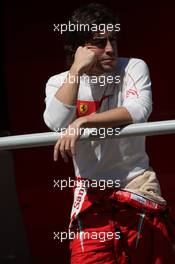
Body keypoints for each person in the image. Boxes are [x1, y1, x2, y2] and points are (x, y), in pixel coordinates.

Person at [43, 3, 175, 263]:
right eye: (99, 42)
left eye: (113, 40)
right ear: (80, 47)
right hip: (91, 200)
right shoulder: (59, 82)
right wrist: (76, 71)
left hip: (137, 189)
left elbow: (139, 110)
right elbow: (55, 122)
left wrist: (85, 122)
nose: (110, 49)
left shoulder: (133, 67)